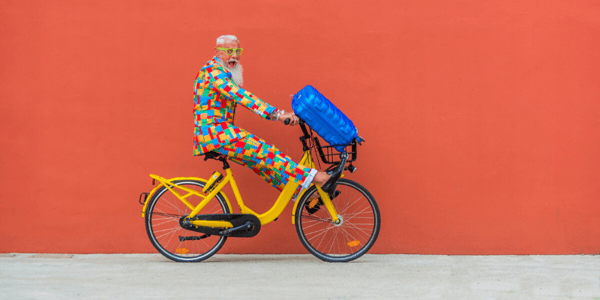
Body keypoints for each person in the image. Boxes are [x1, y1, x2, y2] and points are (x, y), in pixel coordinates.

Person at [193, 35, 331, 195]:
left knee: (261, 164)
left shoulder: (219, 72)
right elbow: (241, 96)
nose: (235, 56)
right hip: (216, 134)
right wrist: (277, 114)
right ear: (217, 52)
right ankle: (317, 177)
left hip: (218, 133)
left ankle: (302, 195)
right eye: (229, 51)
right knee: (266, 153)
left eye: (238, 51)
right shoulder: (213, 72)